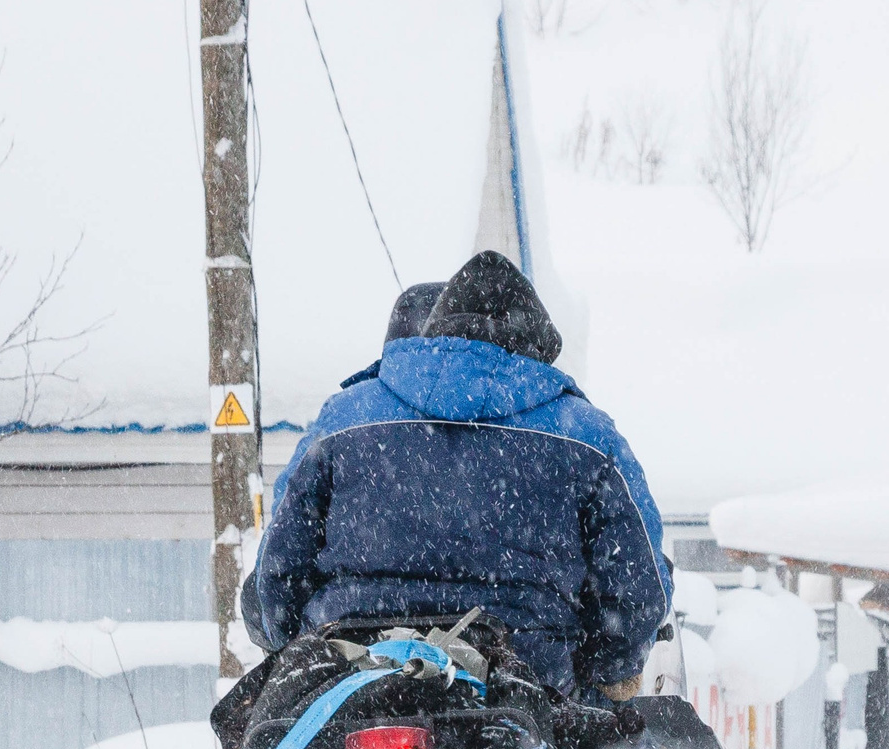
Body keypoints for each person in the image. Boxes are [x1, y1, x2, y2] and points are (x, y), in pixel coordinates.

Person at [252, 251, 668, 699]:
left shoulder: (344, 419)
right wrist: (607, 671)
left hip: (353, 674)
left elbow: (279, 566)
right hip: (528, 685)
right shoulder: (585, 434)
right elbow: (636, 584)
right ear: (537, 350)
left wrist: (294, 642)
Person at [240, 280, 442, 653]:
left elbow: (282, 557)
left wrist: (291, 644)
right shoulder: (528, 423)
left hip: (354, 644)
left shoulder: (346, 416)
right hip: (500, 646)